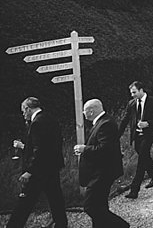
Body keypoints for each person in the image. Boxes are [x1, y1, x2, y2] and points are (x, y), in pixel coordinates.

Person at [6, 97, 68, 228]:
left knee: (25, 200)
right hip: (51, 167)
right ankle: (61, 224)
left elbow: (39, 150)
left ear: (28, 109)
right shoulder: (50, 119)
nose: (23, 114)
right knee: (55, 198)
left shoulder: (37, 123)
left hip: (39, 170)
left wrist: (29, 171)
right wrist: (25, 147)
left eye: (23, 111)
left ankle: (13, 226)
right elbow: (48, 146)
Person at [75, 99, 129, 228]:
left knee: (90, 206)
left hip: (102, 172)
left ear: (91, 111)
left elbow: (105, 149)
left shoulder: (106, 124)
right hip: (100, 171)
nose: (83, 113)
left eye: (84, 110)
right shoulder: (102, 122)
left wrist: (84, 149)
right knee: (100, 204)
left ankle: (121, 225)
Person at [118, 80, 153, 198]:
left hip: (149, 134)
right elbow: (125, 120)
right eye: (131, 93)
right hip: (137, 136)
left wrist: (148, 123)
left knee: (142, 159)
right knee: (144, 156)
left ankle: (134, 189)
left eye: (134, 92)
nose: (132, 95)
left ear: (141, 90)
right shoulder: (131, 104)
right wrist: (116, 136)